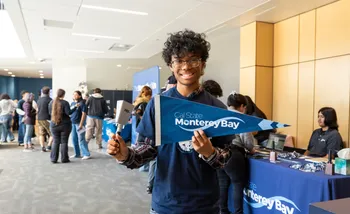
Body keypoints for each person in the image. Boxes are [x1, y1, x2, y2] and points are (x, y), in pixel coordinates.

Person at [107, 29, 234, 214]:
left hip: (205, 206)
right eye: (179, 60)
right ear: (171, 65)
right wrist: (125, 155)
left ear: (203, 64)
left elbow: (226, 159)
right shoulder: (158, 105)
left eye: (193, 59)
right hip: (165, 204)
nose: (186, 66)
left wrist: (211, 153)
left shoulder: (217, 108)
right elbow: (147, 150)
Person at [217, 92, 255, 214]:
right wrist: (251, 149)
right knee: (237, 184)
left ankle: (223, 211)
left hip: (218, 152)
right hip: (234, 153)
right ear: (242, 106)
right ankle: (238, 212)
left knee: (222, 184)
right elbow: (248, 143)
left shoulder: (220, 115)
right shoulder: (242, 118)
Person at [49, 89, 73, 163]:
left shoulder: (51, 102)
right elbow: (68, 112)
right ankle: (64, 159)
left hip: (54, 124)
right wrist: (75, 107)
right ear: (63, 95)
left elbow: (50, 113)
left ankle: (53, 159)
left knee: (55, 141)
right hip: (65, 125)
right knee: (64, 142)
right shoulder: (65, 103)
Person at [70, 91, 90, 160]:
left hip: (79, 123)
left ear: (79, 96)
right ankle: (77, 154)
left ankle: (86, 154)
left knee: (81, 139)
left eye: (76, 94)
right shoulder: (72, 103)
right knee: (74, 139)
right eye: (73, 94)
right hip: (73, 123)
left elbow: (84, 114)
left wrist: (81, 124)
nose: (74, 96)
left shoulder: (82, 103)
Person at [37, 86, 53, 152]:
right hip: (47, 119)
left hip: (40, 118)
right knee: (52, 133)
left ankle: (42, 147)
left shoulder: (39, 100)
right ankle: (49, 146)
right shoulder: (50, 100)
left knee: (41, 134)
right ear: (49, 92)